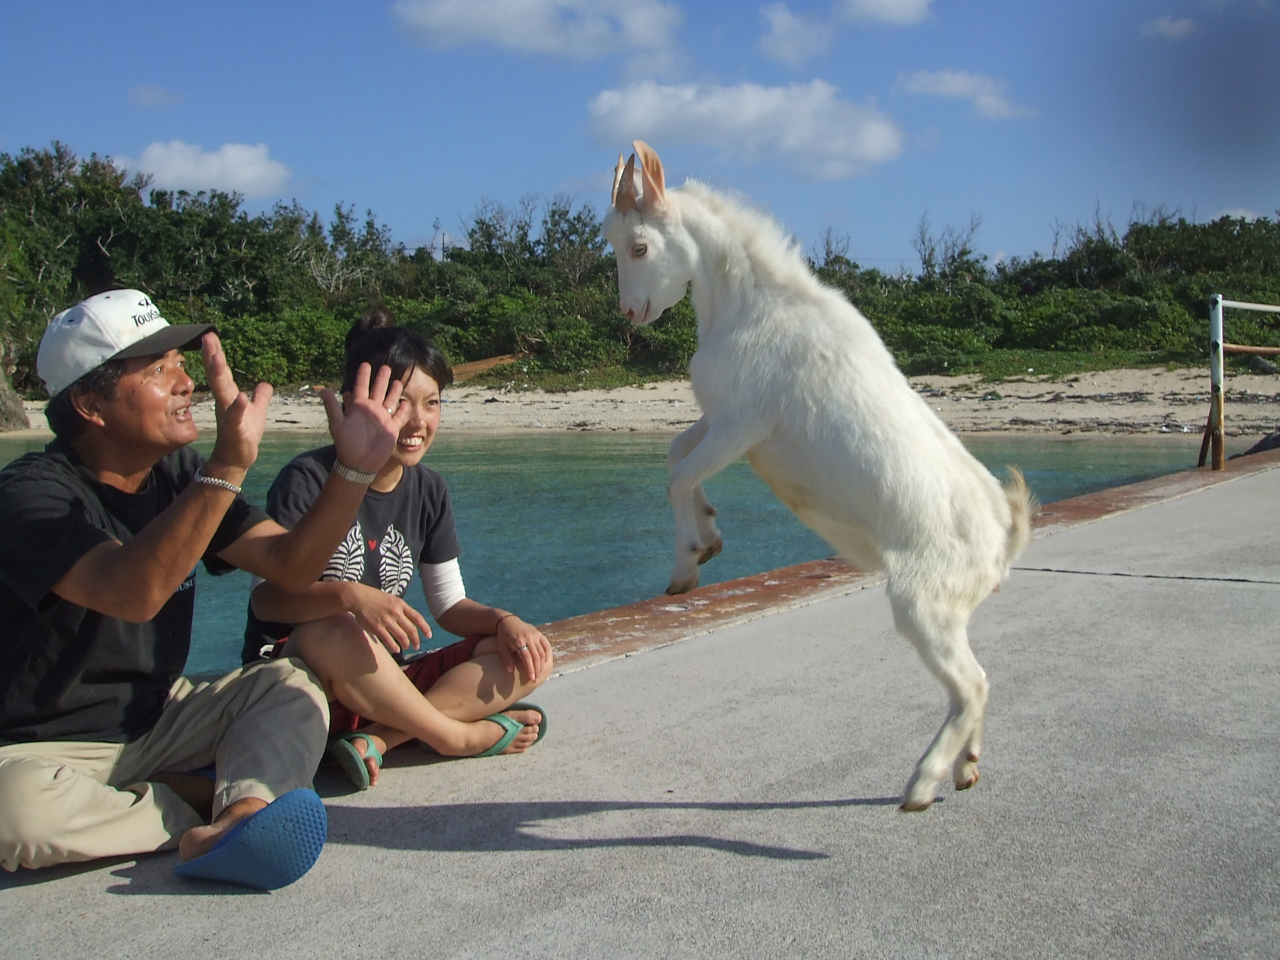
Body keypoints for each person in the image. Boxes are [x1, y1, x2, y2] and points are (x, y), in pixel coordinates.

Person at [0, 289, 409, 889]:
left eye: (181, 362)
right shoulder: (30, 495)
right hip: (37, 747)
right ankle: (193, 801)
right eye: (158, 369)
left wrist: (354, 471)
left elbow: (290, 566)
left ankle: (240, 817)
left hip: (158, 720)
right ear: (89, 402)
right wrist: (229, 464)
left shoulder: (178, 477)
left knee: (289, 684)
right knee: (17, 813)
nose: (185, 381)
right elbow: (132, 591)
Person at [242, 308, 553, 790]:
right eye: (400, 402)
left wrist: (504, 620)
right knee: (335, 628)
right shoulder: (307, 480)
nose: (417, 421)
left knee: (528, 654)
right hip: (303, 681)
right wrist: (348, 597)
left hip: (385, 683)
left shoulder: (428, 489)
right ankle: (453, 737)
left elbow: (449, 605)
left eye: (432, 403)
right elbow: (268, 600)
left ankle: (382, 740)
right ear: (355, 404)